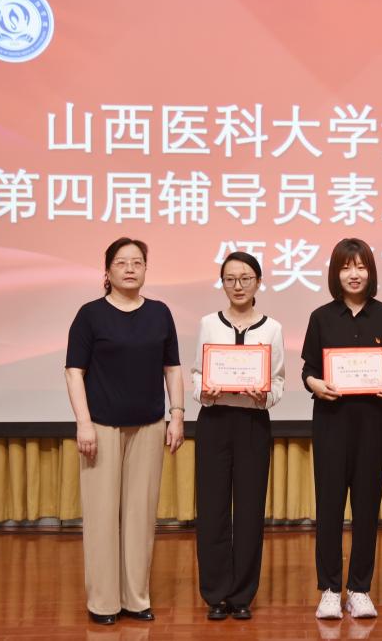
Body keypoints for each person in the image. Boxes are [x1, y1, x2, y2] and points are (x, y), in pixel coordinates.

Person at [64, 237, 184, 625]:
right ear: (107, 271)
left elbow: (172, 368)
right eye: (121, 262)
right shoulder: (90, 315)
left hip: (149, 426)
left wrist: (177, 414)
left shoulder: (160, 313)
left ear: (146, 269)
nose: (130, 268)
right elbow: (74, 372)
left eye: (137, 262)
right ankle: (103, 602)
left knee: (140, 516)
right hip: (100, 428)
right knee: (101, 516)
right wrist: (83, 422)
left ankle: (136, 597)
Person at [301, 238, 382, 620]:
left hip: (372, 423)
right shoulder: (321, 317)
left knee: (366, 507)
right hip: (331, 422)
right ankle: (330, 589)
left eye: (360, 266)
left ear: (370, 271)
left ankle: (359, 589)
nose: (354, 274)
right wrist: (316, 385)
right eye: (346, 267)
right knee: (329, 507)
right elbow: (309, 370)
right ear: (336, 273)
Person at [192, 252, 285, 621]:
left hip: (253, 424)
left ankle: (243, 594)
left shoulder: (272, 328)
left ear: (258, 282)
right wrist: (204, 391)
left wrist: (266, 396)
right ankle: (215, 594)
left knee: (249, 511)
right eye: (230, 279)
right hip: (214, 422)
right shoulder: (208, 323)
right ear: (222, 283)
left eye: (246, 278)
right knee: (212, 510)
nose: (238, 285)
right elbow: (198, 373)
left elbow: (278, 380)